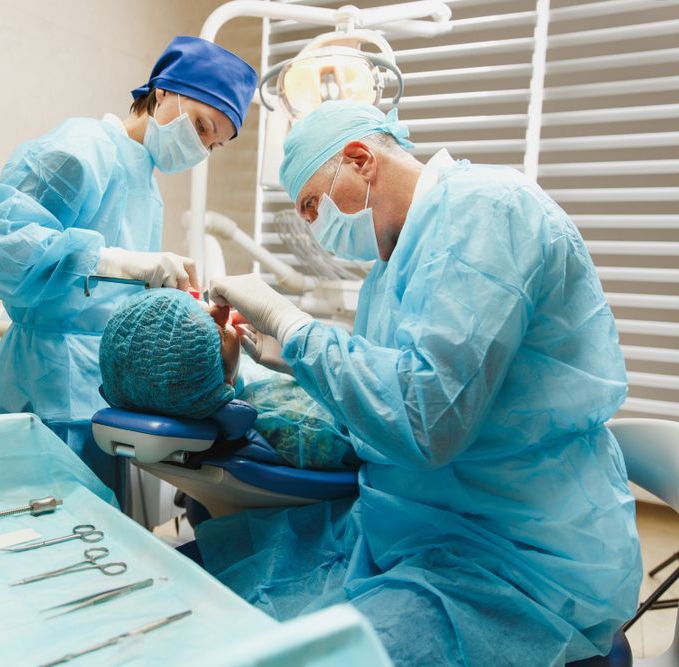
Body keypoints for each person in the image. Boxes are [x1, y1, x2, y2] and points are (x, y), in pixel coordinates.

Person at [206, 101, 641, 665]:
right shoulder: (392, 267)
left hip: (516, 557)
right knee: (229, 601)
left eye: (313, 205)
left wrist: (296, 329)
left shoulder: (488, 212)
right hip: (416, 524)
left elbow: (427, 420)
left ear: (360, 160)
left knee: (315, 653)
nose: (314, 227)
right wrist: (287, 359)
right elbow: (385, 391)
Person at [0, 37, 258, 498]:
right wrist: (117, 260)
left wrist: (180, 308)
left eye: (214, 144)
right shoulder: (83, 148)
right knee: (40, 533)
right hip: (46, 384)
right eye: (201, 126)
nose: (201, 148)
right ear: (163, 92)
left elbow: (111, 300)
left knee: (91, 539)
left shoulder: (142, 178)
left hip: (100, 392)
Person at [99, 288, 360, 471]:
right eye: (222, 333)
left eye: (201, 308)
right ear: (224, 382)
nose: (223, 314)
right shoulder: (304, 425)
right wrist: (308, 362)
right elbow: (372, 430)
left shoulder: (161, 387)